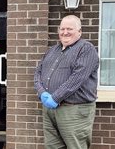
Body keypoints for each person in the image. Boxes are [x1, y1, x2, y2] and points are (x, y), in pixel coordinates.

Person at [34, 15, 99, 149]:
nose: (65, 32)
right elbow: (38, 73)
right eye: (62, 29)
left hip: (74, 110)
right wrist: (42, 93)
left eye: (69, 29)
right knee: (52, 146)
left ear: (79, 31)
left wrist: (55, 97)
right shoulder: (52, 50)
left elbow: (77, 78)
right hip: (50, 110)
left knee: (76, 146)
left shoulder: (86, 49)